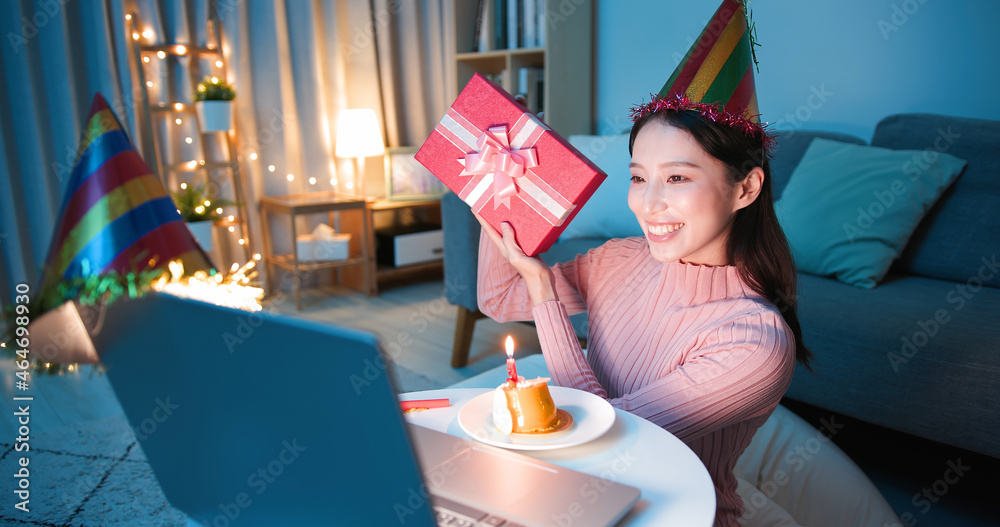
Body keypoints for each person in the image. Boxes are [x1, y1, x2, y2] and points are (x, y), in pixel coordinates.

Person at [476, 92, 811, 527]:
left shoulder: (754, 342)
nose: (648, 204)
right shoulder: (623, 258)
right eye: (638, 177)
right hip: (572, 493)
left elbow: (602, 440)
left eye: (676, 178)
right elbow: (500, 297)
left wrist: (544, 289)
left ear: (745, 188)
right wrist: (498, 190)